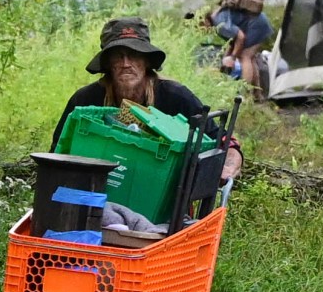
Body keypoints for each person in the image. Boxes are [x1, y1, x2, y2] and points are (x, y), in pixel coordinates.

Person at [53, 17, 242, 183]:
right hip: (97, 193)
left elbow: (224, 141)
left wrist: (228, 168)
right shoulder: (86, 100)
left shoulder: (176, 97)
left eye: (134, 54)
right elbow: (57, 152)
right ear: (108, 64)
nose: (126, 63)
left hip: (161, 200)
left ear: (147, 61)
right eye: (118, 56)